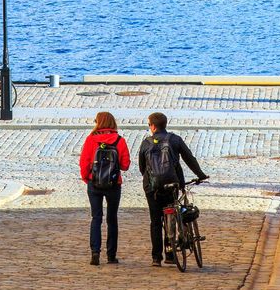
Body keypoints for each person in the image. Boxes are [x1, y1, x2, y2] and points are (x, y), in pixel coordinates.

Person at [137, 111, 207, 267]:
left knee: (155, 221)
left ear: (153, 126)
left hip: (152, 188)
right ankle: (170, 252)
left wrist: (151, 180)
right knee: (173, 215)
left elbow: (142, 167)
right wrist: (200, 175)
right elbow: (190, 159)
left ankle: (156, 258)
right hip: (172, 184)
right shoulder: (175, 140)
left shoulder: (146, 143)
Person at [79, 111, 131, 266]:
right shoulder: (119, 141)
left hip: (94, 183)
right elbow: (125, 165)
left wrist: (87, 178)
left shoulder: (91, 139)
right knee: (112, 219)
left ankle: (95, 252)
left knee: (96, 218)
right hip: (113, 185)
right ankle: (111, 255)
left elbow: (84, 162)